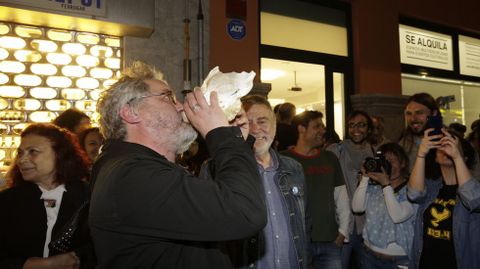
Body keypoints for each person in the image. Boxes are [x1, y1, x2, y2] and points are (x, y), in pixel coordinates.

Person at [88, 61, 267, 269]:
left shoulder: (138, 170)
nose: (181, 106)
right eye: (167, 97)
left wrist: (235, 140)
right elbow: (244, 213)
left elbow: (220, 220)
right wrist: (222, 137)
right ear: (130, 112)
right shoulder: (131, 176)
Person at [225, 94, 306, 269]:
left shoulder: (294, 169)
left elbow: (305, 224)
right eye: (247, 123)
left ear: (275, 126)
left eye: (262, 121)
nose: (255, 129)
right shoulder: (220, 169)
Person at [0, 123, 95, 269]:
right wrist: (29, 265)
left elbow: (102, 247)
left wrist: (77, 259)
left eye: (33, 152)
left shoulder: (87, 197)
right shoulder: (7, 202)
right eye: (20, 153)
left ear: (59, 154)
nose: (21, 160)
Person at [281, 110, 350, 269]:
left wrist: (343, 232)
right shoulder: (284, 160)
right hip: (297, 242)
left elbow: (342, 197)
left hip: (330, 241)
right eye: (317, 126)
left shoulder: (330, 158)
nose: (323, 130)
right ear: (301, 129)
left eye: (323, 126)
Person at [408, 128, 480, 269]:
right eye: (441, 145)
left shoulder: (474, 188)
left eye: (451, 144)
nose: (446, 148)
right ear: (435, 157)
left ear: (465, 157)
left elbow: (474, 200)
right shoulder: (431, 187)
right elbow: (413, 194)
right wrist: (421, 154)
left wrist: (456, 156)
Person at [352, 143, 415, 269]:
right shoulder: (374, 187)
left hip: (397, 260)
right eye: (385, 162)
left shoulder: (412, 189)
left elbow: (397, 216)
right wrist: (364, 179)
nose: (389, 165)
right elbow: (357, 208)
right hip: (368, 254)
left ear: (403, 163)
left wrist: (386, 185)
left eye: (392, 161)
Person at [326, 110, 376, 269]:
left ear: (369, 129)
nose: (356, 130)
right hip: (342, 223)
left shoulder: (375, 151)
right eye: (352, 125)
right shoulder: (336, 150)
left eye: (361, 125)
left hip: (369, 224)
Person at [399, 92, 480, 179]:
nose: (413, 118)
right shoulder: (403, 144)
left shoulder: (452, 140)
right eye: (409, 113)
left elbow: (475, 174)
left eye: (419, 113)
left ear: (434, 113)